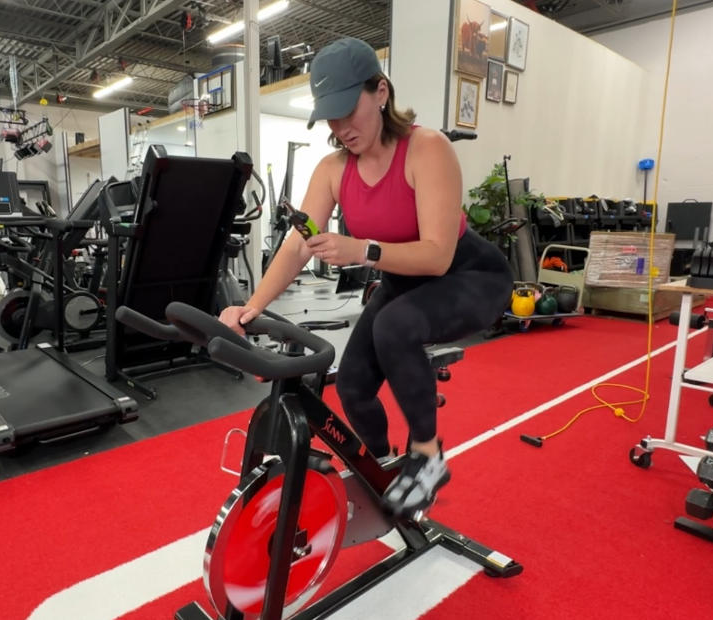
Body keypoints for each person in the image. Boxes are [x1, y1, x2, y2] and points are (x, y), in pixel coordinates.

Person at [219, 37, 513, 518]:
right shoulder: (334, 169)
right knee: (352, 384)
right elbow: (297, 243)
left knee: (393, 326)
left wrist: (362, 250)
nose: (340, 127)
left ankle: (427, 457)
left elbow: (438, 257)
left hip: (469, 276)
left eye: (347, 110)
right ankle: (382, 467)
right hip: (403, 284)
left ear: (381, 92)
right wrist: (252, 307)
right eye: (330, 117)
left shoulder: (427, 148)